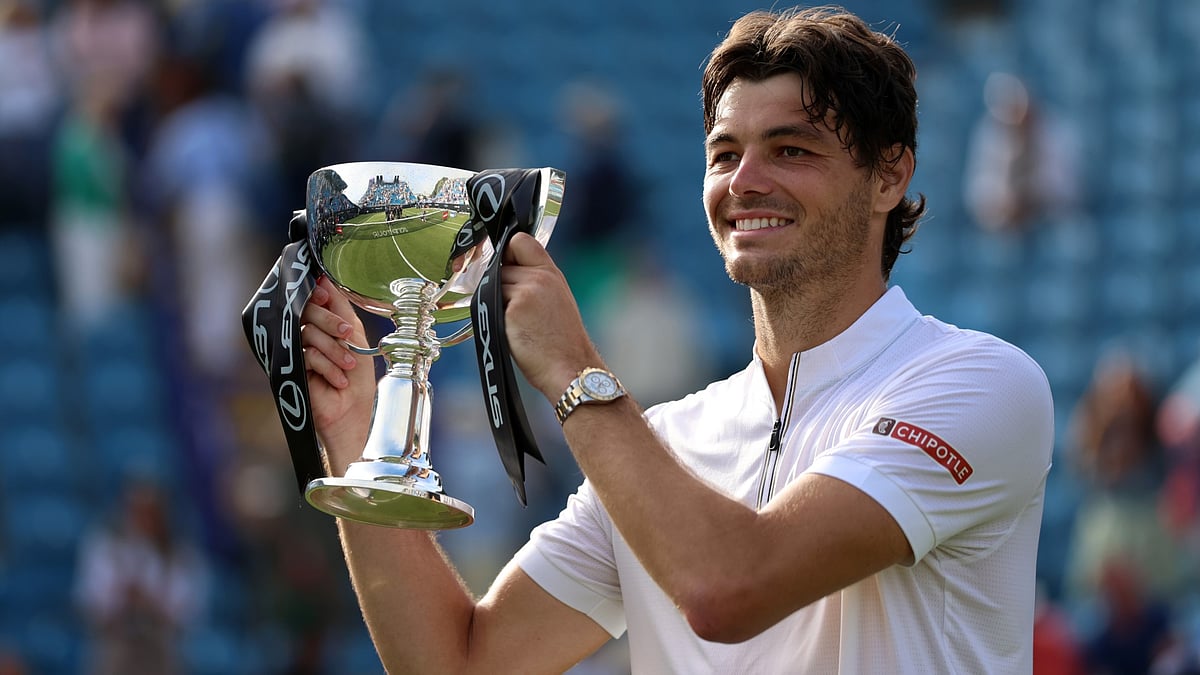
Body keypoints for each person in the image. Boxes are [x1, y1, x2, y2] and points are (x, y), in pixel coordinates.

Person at [299, 7, 1054, 673]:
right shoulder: (663, 444)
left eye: (792, 150)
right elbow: (459, 662)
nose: (745, 180)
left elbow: (729, 588)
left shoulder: (981, 382)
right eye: (725, 154)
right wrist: (356, 433)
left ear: (890, 176)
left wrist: (573, 366)